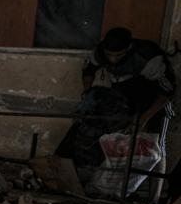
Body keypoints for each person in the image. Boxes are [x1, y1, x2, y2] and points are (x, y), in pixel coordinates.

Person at [57, 27, 176, 172]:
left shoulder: (148, 58)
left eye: (118, 55)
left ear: (129, 48)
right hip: (122, 99)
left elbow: (168, 91)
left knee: (155, 147)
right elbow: (88, 69)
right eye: (109, 55)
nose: (113, 59)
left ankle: (155, 195)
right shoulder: (99, 52)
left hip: (154, 101)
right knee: (114, 142)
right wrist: (87, 94)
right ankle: (110, 189)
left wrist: (144, 118)